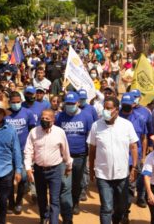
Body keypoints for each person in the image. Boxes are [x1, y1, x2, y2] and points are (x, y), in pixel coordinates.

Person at [88, 96, 139, 224]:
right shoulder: (96, 126)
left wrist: (134, 168)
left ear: (116, 110)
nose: (106, 110)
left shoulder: (126, 125)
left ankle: (116, 220)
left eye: (109, 108)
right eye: (105, 108)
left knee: (121, 207)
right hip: (103, 174)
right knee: (106, 208)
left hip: (122, 174)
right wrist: (91, 169)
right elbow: (92, 150)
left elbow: (133, 147)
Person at [24, 109, 73, 224]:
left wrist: (68, 166)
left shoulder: (59, 132)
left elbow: (65, 151)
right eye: (42, 118)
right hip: (39, 170)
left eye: (47, 118)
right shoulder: (34, 132)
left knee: (54, 199)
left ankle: (53, 221)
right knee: (41, 198)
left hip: (55, 170)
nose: (44, 120)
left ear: (53, 120)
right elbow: (28, 151)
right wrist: (28, 168)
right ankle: (44, 217)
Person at [56, 92, 94, 221]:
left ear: (78, 103)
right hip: (63, 156)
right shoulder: (60, 117)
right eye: (68, 103)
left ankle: (75, 202)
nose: (70, 106)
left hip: (80, 155)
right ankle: (66, 206)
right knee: (65, 183)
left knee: (77, 182)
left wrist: (90, 154)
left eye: (72, 103)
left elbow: (90, 137)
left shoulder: (87, 116)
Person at [5, 91, 36, 214]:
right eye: (13, 102)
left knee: (23, 178)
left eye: (18, 102)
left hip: (23, 151)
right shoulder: (5, 114)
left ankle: (19, 201)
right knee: (8, 179)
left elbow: (32, 132)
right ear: (9, 102)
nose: (16, 104)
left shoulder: (27, 113)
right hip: (8, 152)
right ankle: (11, 202)